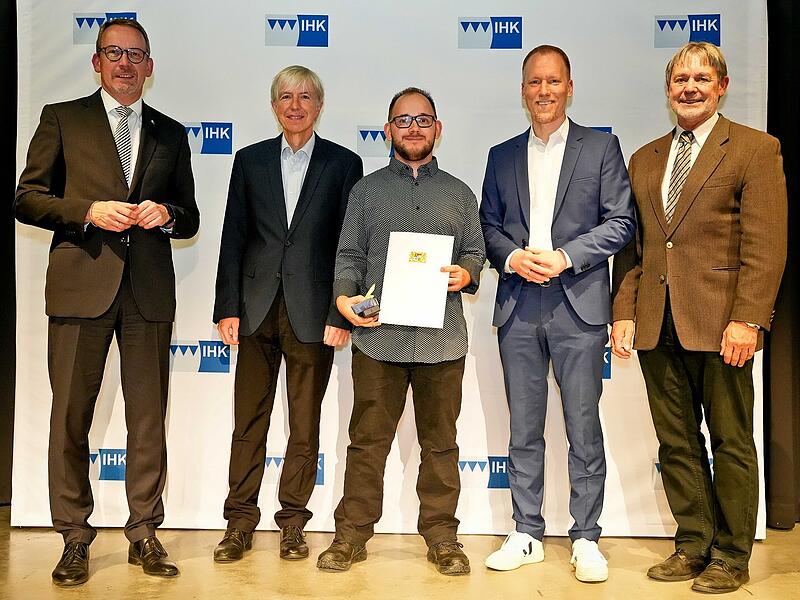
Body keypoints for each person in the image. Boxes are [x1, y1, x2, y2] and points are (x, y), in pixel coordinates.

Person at [15, 18, 199, 586]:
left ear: (149, 66)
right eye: (114, 52)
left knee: (148, 421)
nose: (125, 63)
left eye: (136, 54)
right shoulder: (62, 118)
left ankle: (144, 531)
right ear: (96, 62)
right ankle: (73, 536)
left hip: (147, 293)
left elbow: (189, 215)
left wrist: (167, 215)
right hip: (80, 287)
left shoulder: (171, 133)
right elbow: (27, 199)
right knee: (70, 416)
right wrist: (87, 211)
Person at [611, 42, 787, 594]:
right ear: (668, 90)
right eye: (680, 79)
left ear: (722, 85)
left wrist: (749, 320)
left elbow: (766, 243)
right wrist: (623, 312)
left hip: (722, 325)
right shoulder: (645, 158)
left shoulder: (756, 149)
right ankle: (693, 545)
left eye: (701, 78)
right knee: (677, 442)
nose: (690, 87)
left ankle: (732, 556)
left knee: (731, 441)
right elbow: (635, 249)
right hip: (655, 321)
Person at [479, 45, 635, 583]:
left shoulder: (601, 147)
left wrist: (567, 256)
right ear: (523, 91)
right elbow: (488, 226)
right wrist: (512, 256)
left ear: (570, 87)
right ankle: (526, 532)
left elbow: (620, 223)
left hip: (579, 305)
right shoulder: (501, 155)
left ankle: (586, 537)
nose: (543, 91)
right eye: (533, 83)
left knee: (583, 428)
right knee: (524, 429)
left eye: (553, 82)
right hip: (520, 305)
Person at [316, 87, 485, 575]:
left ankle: (443, 539)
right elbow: (348, 256)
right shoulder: (366, 191)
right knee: (367, 444)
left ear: (438, 128)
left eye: (423, 119)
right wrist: (344, 297)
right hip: (378, 339)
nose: (413, 128)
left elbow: (476, 250)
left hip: (442, 341)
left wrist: (467, 272)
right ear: (388, 129)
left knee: (441, 446)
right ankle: (350, 536)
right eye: (403, 120)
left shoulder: (458, 192)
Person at [212, 65, 363, 563]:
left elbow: (349, 245)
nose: (294, 105)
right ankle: (238, 522)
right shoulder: (249, 160)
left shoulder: (344, 164)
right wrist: (226, 305)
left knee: (304, 423)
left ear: (319, 105)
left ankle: (293, 524)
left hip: (314, 312)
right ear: (273, 105)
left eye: (304, 97)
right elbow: (233, 235)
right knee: (247, 420)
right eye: (284, 96)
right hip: (254, 310)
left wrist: (340, 314)